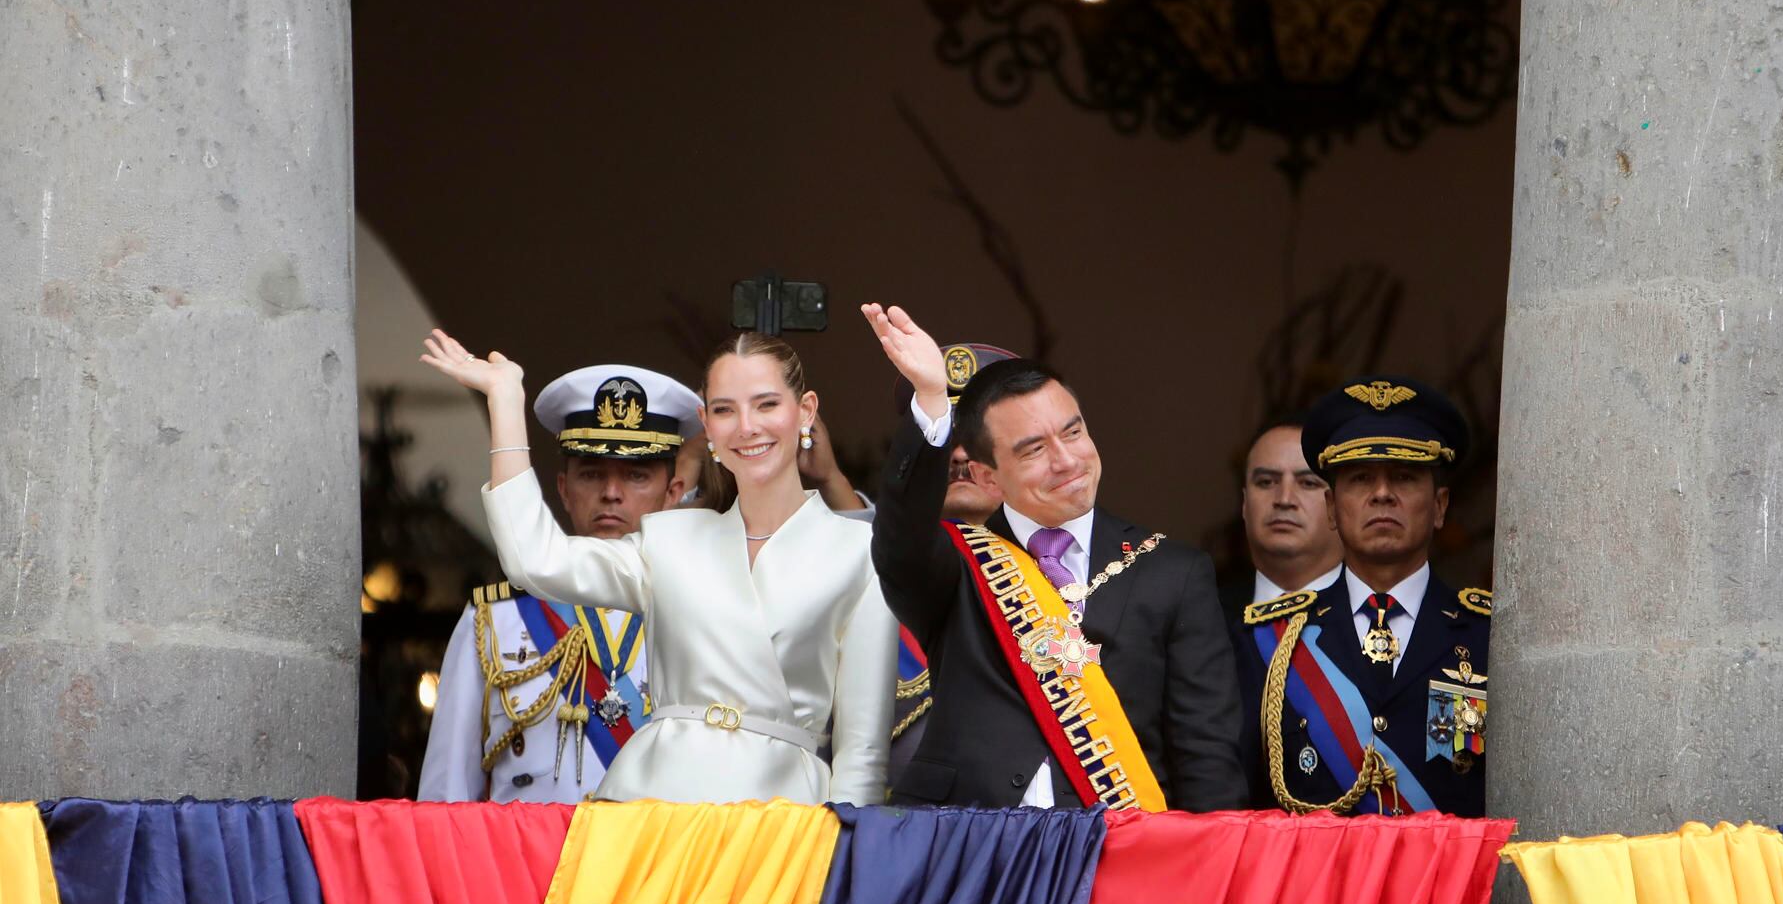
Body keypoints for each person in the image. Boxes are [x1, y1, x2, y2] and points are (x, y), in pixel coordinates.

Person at [420, 328, 898, 806]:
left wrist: (847, 860)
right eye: (725, 409)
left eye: (767, 404)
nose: (747, 426)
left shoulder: (860, 550)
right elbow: (534, 560)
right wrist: (505, 399)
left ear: (806, 411)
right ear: (706, 425)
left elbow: (863, 756)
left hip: (786, 825)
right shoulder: (669, 540)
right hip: (654, 813)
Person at [862, 303, 1245, 811]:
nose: (1067, 461)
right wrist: (931, 401)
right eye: (1033, 449)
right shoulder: (955, 566)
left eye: (1073, 432)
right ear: (986, 477)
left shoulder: (1172, 571)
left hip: (1117, 852)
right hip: (968, 844)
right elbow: (900, 537)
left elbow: (1205, 753)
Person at [1261, 376, 1490, 904]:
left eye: (1405, 478)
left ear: (1440, 503)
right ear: (1333, 500)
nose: (1383, 494)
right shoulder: (1270, 638)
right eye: (1361, 479)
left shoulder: (1497, 637)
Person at [418, 365, 700, 802]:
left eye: (636, 475)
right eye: (591, 474)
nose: (611, 492)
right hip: (527, 866)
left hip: (658, 865)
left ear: (673, 492)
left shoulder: (701, 609)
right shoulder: (496, 619)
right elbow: (446, 793)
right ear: (564, 490)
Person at [889, 342, 1015, 780]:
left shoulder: (1058, 567)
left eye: (976, 439)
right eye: (946, 438)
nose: (960, 456)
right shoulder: (873, 568)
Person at [1218, 418, 1346, 807]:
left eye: (1308, 483)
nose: (1284, 498)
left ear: (1337, 505)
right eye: (1266, 481)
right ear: (1244, 504)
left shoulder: (1378, 617)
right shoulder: (1204, 617)